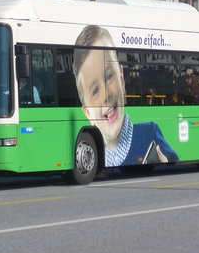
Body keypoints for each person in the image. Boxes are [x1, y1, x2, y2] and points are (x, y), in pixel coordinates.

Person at [73, 25, 178, 169]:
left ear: (122, 79)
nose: (106, 95)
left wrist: (164, 162)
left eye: (109, 76)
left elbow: (173, 161)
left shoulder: (149, 133)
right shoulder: (95, 154)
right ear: (88, 113)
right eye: (95, 90)